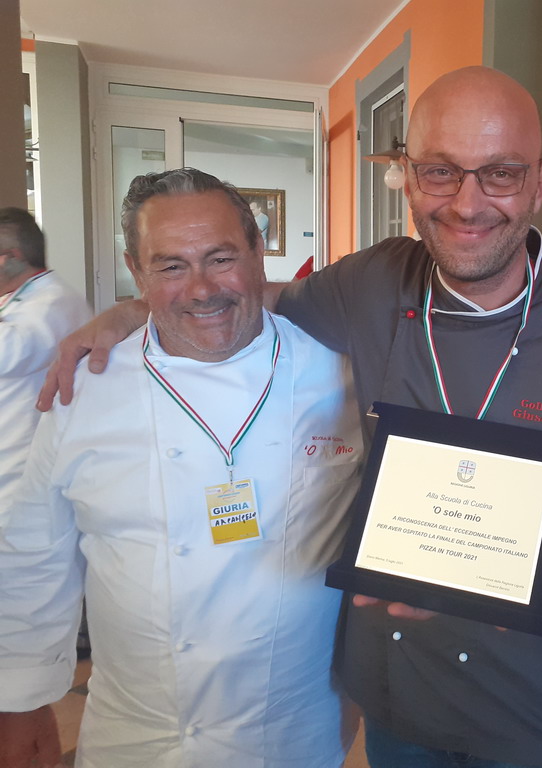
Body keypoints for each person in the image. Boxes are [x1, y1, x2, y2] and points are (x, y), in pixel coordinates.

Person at [40, 67, 542, 768]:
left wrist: (486, 574)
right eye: (440, 171)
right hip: (394, 706)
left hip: (534, 715)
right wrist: (139, 308)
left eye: (500, 173)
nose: (467, 204)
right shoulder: (373, 281)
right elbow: (243, 295)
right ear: (407, 177)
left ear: (541, 182)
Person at [0, 169, 362, 768]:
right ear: (136, 272)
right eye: (170, 266)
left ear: (258, 252)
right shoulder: (85, 386)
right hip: (135, 732)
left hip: (295, 729)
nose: (201, 289)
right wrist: (21, 701)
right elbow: (37, 548)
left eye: (221, 258)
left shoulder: (337, 368)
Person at [0, 208, 91, 524]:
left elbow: (10, 352)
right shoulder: (21, 299)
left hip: (21, 481)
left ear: (10, 258)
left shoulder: (52, 304)